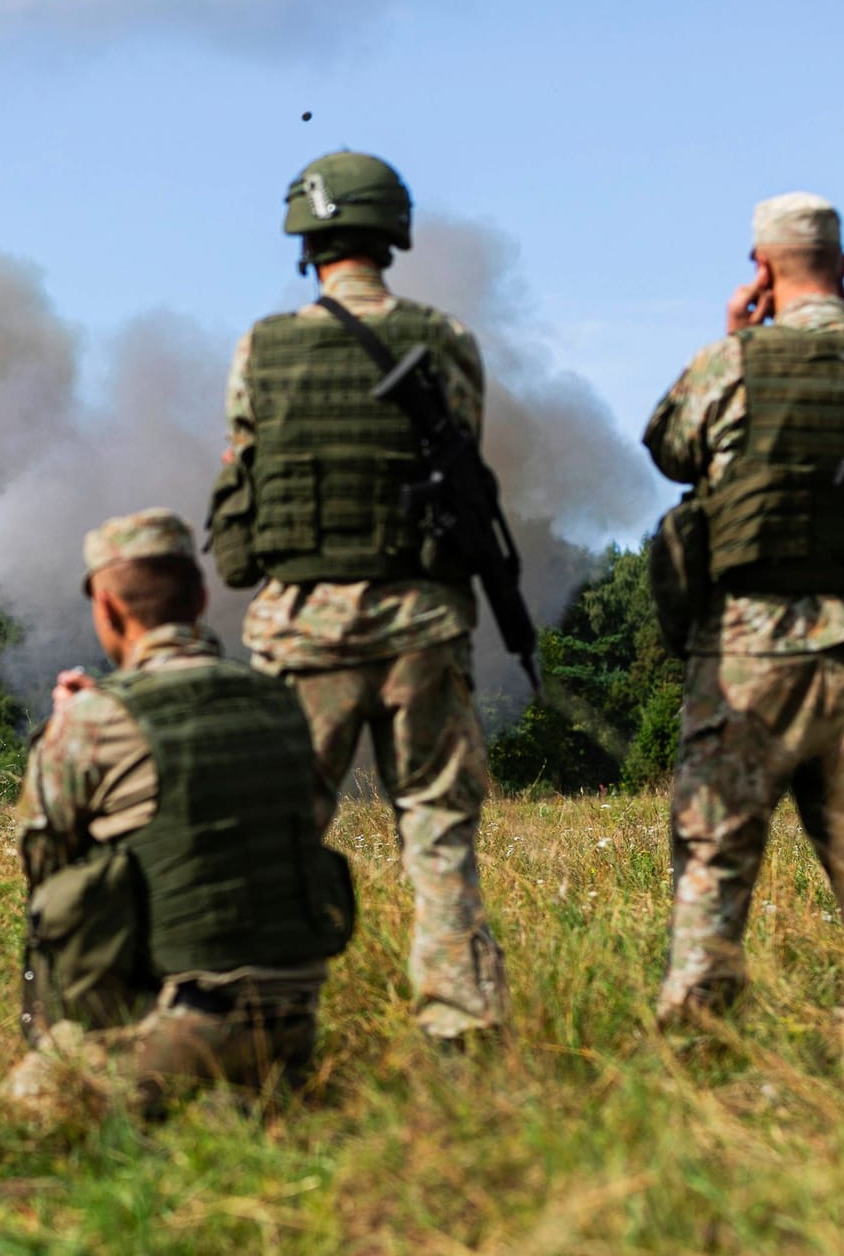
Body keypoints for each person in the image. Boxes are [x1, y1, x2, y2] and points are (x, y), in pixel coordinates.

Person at [204, 151, 510, 1044]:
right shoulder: (447, 340)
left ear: (307, 237)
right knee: (439, 832)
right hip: (422, 623)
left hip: (303, 625)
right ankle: (460, 1034)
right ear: (393, 234)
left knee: (280, 835)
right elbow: (463, 466)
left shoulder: (263, 347)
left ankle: (265, 1030)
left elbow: (240, 476)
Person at [642, 192, 844, 1053]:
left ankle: (698, 1040)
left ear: (761, 270)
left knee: (716, 848)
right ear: (842, 265)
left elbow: (667, 448)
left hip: (749, 649)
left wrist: (734, 330)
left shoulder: (731, 363)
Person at [0, 509, 356, 1120]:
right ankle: (246, 1101)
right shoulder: (283, 702)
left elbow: (43, 864)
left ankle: (191, 1101)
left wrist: (65, 732)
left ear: (108, 610)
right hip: (296, 1024)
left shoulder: (93, 721)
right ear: (202, 597)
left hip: (191, 1023)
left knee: (28, 1101)